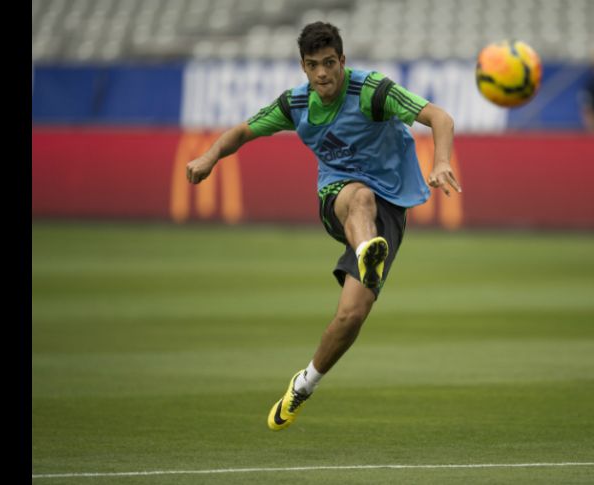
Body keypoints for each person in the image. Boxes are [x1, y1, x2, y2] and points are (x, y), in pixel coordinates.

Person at [186, 21, 460, 431]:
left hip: (391, 206)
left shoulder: (370, 91)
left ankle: (304, 384)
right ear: (303, 67)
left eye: (329, 63)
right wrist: (209, 157)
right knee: (360, 196)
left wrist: (440, 161)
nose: (322, 74)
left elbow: (439, 116)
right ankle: (368, 249)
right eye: (313, 65)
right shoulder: (295, 105)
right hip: (339, 197)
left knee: (351, 316)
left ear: (342, 61)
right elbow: (242, 131)